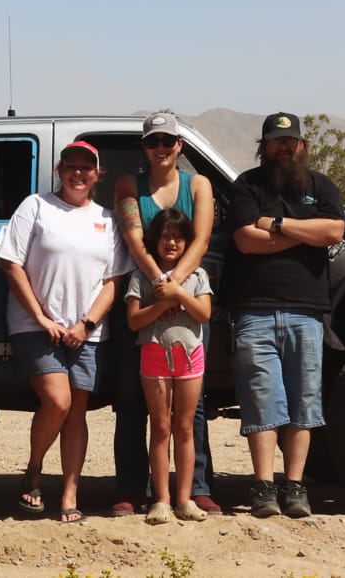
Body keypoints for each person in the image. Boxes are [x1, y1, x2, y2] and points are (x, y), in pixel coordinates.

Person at [0, 140, 132, 524]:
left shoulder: (107, 220)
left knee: (77, 412)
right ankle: (34, 470)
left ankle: (70, 493)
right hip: (35, 326)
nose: (78, 173)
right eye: (70, 166)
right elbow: (11, 264)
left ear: (97, 174)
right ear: (59, 171)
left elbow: (114, 281)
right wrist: (41, 318)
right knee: (58, 402)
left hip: (87, 331)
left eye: (86, 167)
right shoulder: (36, 206)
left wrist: (86, 324)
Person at [227, 112, 345, 518]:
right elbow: (246, 240)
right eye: (276, 141)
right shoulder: (247, 185)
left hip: (308, 314)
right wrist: (304, 234)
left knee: (303, 403)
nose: (284, 147)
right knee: (262, 401)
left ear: (302, 145)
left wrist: (276, 225)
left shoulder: (322, 186)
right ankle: (263, 487)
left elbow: (333, 232)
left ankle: (295, 487)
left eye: (290, 141)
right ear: (263, 146)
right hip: (254, 312)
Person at [109, 110, 220, 517]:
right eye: (153, 141)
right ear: (144, 147)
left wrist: (177, 286)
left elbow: (201, 239)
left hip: (185, 297)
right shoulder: (128, 186)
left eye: (167, 141)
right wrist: (160, 284)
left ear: (179, 146)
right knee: (132, 401)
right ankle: (133, 488)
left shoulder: (199, 184)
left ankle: (196, 488)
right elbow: (134, 238)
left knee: (192, 407)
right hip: (145, 293)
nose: (160, 148)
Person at [124, 207, 214, 525]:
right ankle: (161, 499)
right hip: (154, 353)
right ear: (154, 240)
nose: (171, 243)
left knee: (185, 426)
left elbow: (204, 313)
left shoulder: (198, 276)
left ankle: (185, 498)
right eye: (165, 237)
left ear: (187, 242)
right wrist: (163, 303)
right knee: (161, 426)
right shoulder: (141, 277)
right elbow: (134, 320)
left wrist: (178, 294)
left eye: (177, 237)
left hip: (190, 356)